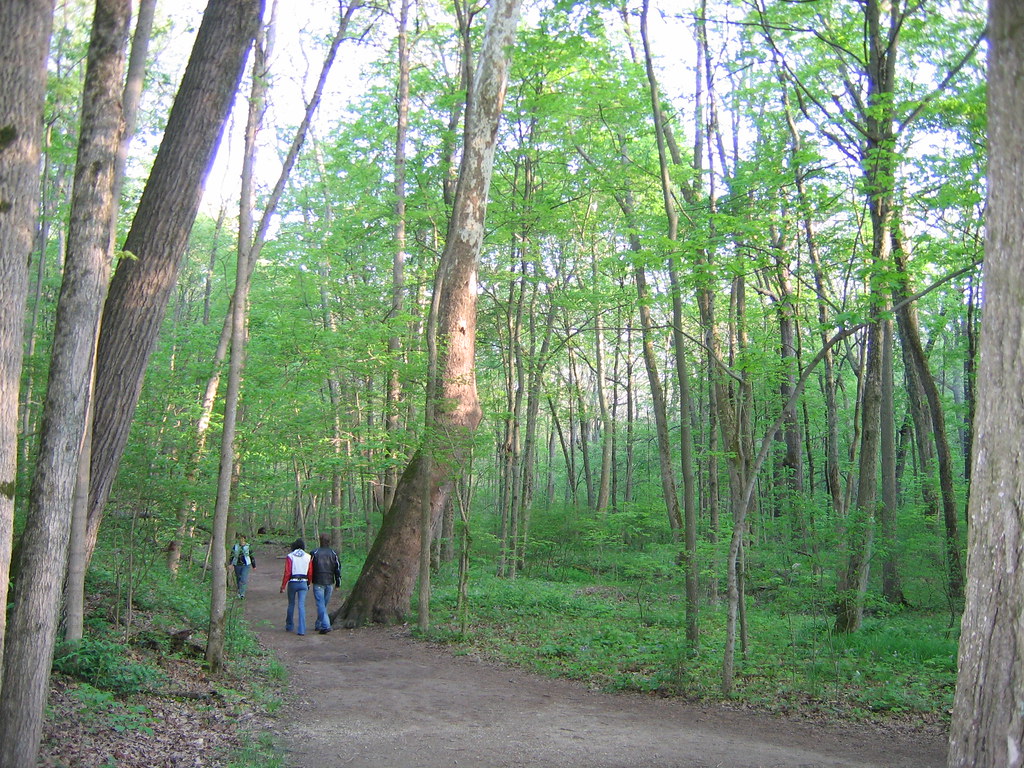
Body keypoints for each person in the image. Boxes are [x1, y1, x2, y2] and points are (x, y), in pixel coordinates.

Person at [310, 534, 342, 634]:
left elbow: (309, 568)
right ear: (329, 541)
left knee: (321, 605)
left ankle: (325, 625)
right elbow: (338, 569)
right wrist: (338, 583)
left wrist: (308, 580)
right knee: (323, 605)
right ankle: (320, 624)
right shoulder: (333, 553)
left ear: (320, 541)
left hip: (318, 581)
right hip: (329, 582)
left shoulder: (314, 553)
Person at [280, 538, 313, 636]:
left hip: (293, 582)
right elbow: (310, 572)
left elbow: (287, 572)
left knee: (291, 604)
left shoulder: (290, 556)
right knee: (301, 605)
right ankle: (302, 629)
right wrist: (309, 583)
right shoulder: (308, 556)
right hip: (303, 582)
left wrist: (283, 585)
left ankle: (289, 625)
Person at [230, 534, 255, 598]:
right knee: (238, 578)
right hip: (237, 564)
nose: (241, 540)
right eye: (240, 539)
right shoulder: (235, 546)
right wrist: (230, 564)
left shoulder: (248, 546)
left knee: (243, 578)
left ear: (245, 539)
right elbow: (232, 556)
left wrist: (254, 565)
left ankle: (242, 593)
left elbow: (251, 556)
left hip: (246, 564)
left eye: (242, 539)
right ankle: (239, 591)